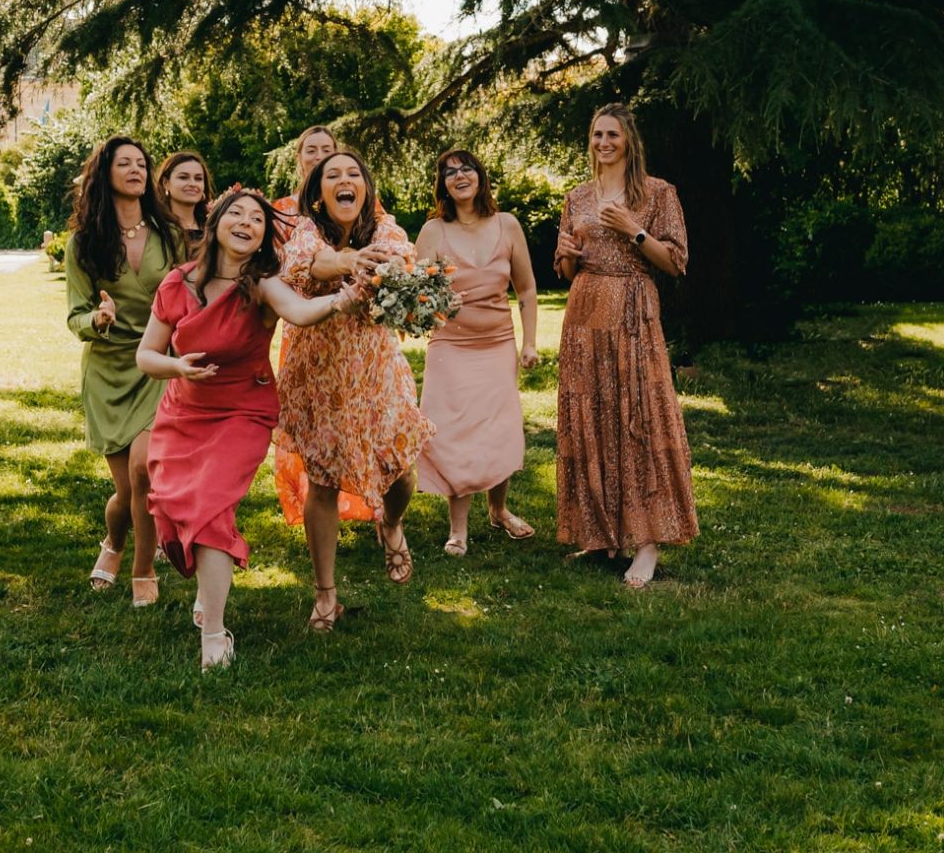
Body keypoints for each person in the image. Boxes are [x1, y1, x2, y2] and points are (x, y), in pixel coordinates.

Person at [138, 187, 344, 668]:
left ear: (262, 239)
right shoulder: (177, 284)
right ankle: (208, 594)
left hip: (242, 412)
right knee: (173, 508)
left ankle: (214, 637)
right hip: (184, 412)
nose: (247, 223)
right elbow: (146, 355)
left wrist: (341, 301)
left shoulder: (263, 285)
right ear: (216, 222)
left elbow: (301, 312)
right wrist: (177, 368)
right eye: (238, 214)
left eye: (258, 219)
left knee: (210, 512)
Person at [277, 146, 433, 608]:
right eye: (333, 175)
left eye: (353, 174)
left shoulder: (386, 228)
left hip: (376, 372)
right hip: (320, 375)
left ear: (364, 190)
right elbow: (308, 264)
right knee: (322, 481)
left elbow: (401, 259)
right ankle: (326, 593)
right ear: (320, 194)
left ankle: (391, 524)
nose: (345, 180)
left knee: (400, 471)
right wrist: (351, 262)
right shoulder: (305, 229)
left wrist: (380, 263)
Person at [553, 103, 697, 588]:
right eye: (596, 134)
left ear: (629, 141)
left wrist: (633, 231)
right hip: (584, 311)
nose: (603, 143)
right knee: (590, 417)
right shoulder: (576, 196)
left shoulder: (658, 193)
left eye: (612, 134)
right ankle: (598, 534)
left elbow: (676, 263)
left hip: (634, 311)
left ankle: (648, 542)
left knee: (639, 417)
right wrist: (568, 255)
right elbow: (566, 268)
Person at [63, 135, 180, 605]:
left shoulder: (168, 235)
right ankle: (113, 541)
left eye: (141, 163)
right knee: (126, 491)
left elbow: (192, 292)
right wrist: (97, 318)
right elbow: (75, 313)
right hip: (109, 372)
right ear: (105, 174)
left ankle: (143, 570)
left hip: (154, 365)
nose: (135, 169)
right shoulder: (84, 242)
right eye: (124, 163)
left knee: (145, 473)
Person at [414, 148, 540, 556]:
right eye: (449, 172)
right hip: (450, 348)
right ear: (443, 187)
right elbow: (419, 294)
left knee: (499, 431)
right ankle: (458, 529)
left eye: (466, 168)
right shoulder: (434, 231)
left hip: (497, 345)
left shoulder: (507, 225)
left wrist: (530, 342)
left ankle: (499, 510)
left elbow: (526, 289)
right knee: (455, 435)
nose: (459, 175)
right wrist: (428, 303)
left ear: (480, 176)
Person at [269, 124, 374, 529]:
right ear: (300, 158)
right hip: (303, 318)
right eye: (310, 149)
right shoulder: (284, 210)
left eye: (325, 148)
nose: (318, 154)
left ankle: (365, 506)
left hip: (359, 332)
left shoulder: (362, 206)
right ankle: (313, 495)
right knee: (311, 423)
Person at [154, 150, 210, 257]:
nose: (193, 184)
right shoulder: (156, 226)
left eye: (198, 179)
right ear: (166, 183)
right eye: (183, 177)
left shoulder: (212, 225)